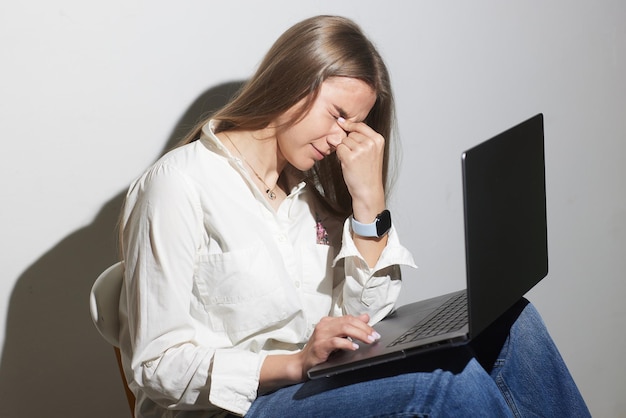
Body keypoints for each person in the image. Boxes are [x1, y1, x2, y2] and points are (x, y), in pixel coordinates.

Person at [118, 15, 590, 417]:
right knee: (450, 387)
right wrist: (297, 363)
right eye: (337, 114)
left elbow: (366, 319)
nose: (340, 138)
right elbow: (156, 364)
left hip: (313, 385)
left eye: (355, 124)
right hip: (235, 407)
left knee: (514, 322)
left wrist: (369, 200)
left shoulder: (309, 195)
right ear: (291, 80)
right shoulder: (179, 185)